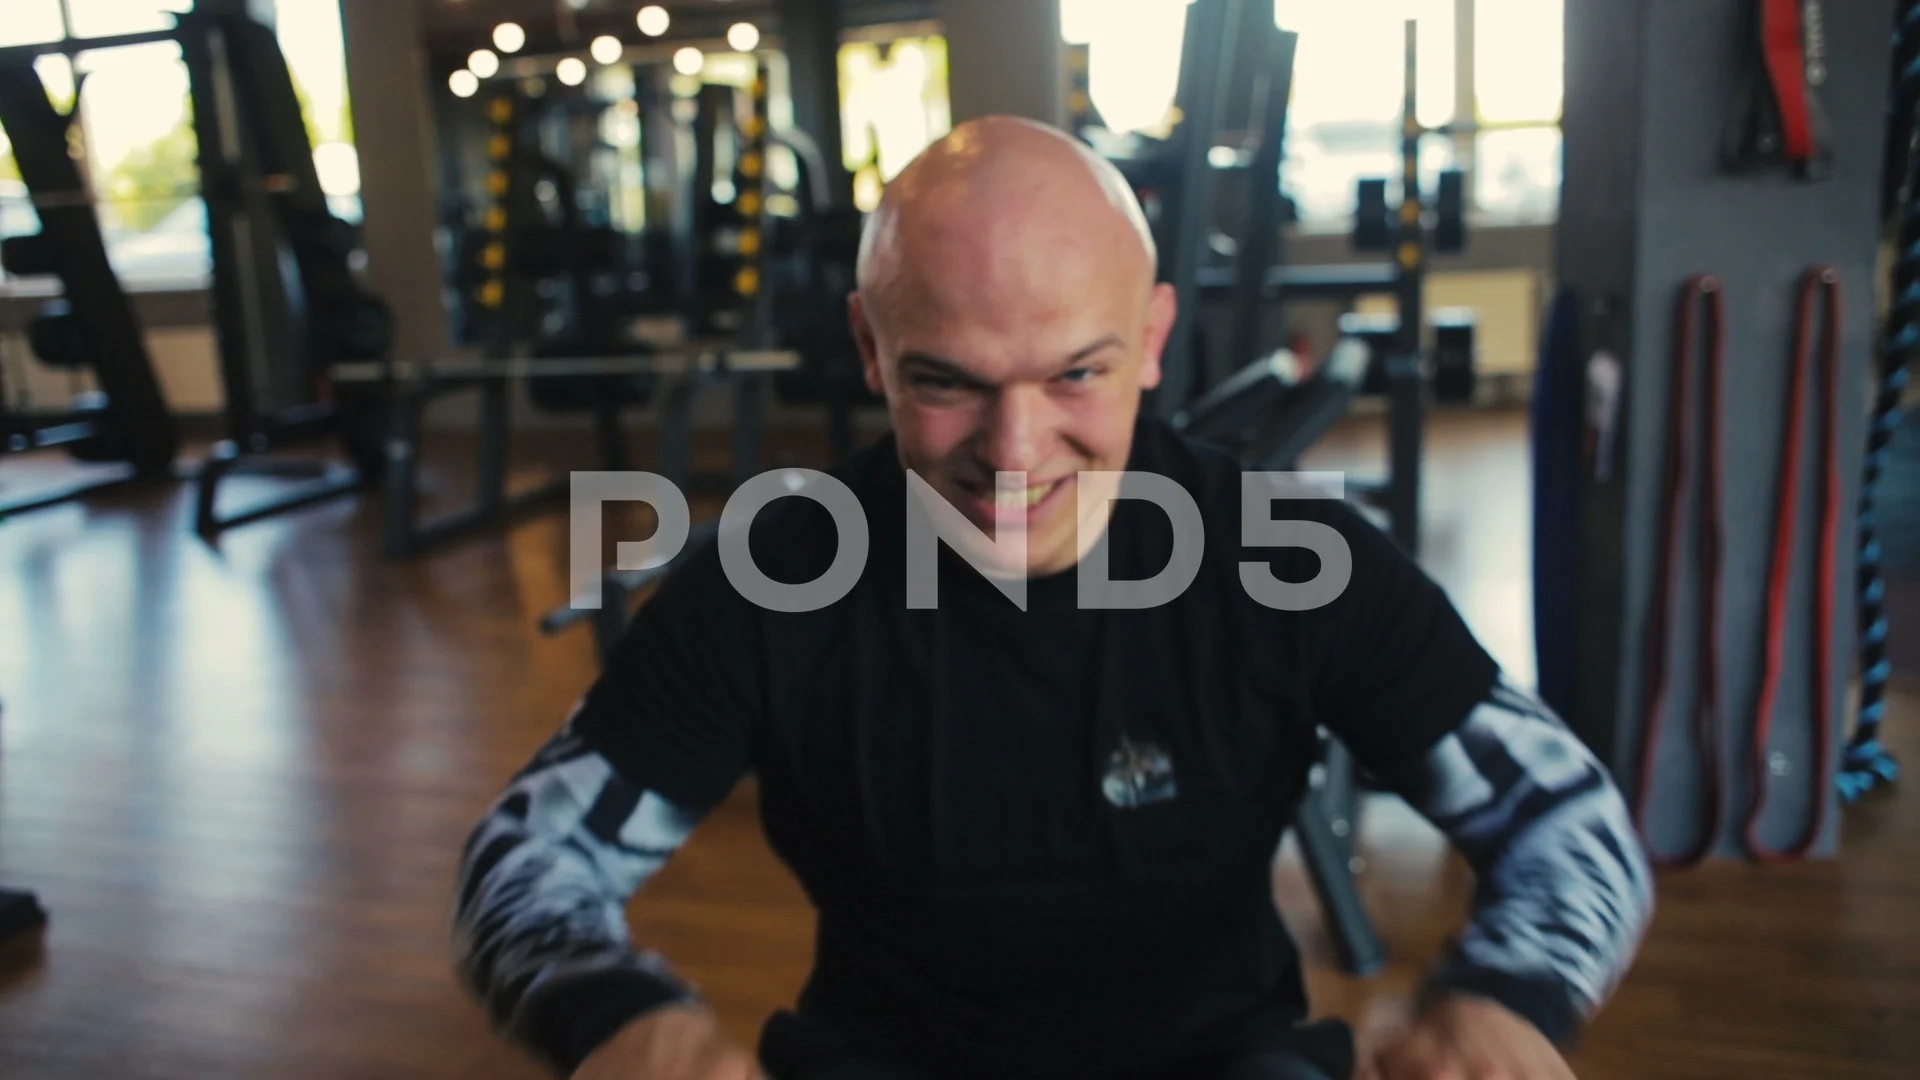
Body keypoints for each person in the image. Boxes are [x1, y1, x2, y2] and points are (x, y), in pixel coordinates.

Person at [452, 117, 1653, 1080]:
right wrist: (612, 1012)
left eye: (1078, 374)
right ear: (871, 350)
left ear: (1153, 338)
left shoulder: (1289, 556)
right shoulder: (776, 577)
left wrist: (1513, 993)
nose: (1015, 450)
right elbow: (520, 867)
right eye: (947, 382)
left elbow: (1570, 826)